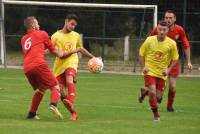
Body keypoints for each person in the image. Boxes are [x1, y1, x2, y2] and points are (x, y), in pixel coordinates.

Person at [139, 10, 193, 112]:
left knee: (172, 87)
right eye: (166, 18)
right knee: (158, 97)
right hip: (158, 63)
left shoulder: (179, 30)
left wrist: (189, 61)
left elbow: (186, 45)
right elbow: (149, 42)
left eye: (170, 18)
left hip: (172, 61)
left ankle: (169, 106)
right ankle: (146, 91)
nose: (168, 19)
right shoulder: (158, 29)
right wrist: (146, 63)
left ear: (175, 19)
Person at [21, 16, 74, 119]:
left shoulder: (23, 39)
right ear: (33, 25)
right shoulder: (42, 34)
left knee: (41, 89)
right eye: (37, 23)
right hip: (39, 65)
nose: (39, 25)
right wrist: (61, 53)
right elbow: (54, 51)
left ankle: (32, 113)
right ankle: (53, 104)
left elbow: (32, 51)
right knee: (55, 85)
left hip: (27, 68)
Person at [51, 14, 95, 121]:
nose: (73, 27)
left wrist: (93, 57)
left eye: (75, 25)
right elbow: (57, 54)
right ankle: (74, 113)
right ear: (66, 21)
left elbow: (81, 49)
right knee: (62, 94)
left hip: (72, 62)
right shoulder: (55, 36)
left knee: (69, 79)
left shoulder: (76, 36)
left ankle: (71, 100)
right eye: (72, 24)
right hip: (59, 65)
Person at [139, 20, 179, 121]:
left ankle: (145, 91)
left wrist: (168, 69)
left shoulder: (172, 43)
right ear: (157, 29)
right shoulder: (149, 40)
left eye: (164, 30)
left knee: (158, 98)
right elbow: (141, 53)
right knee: (153, 93)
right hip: (150, 71)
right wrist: (144, 67)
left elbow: (175, 58)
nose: (161, 31)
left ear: (167, 30)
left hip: (162, 73)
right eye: (160, 29)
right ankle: (156, 115)